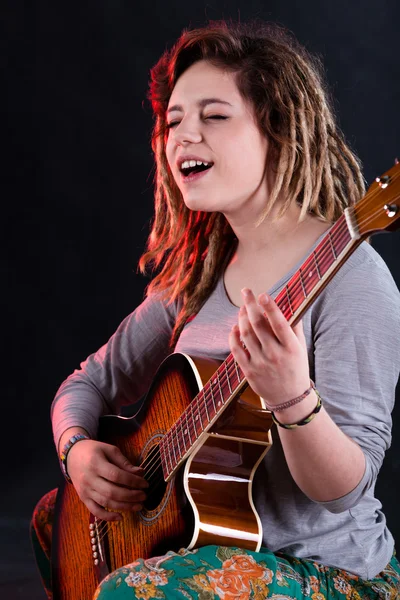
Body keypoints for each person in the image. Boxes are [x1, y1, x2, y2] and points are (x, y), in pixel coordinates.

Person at [31, 18, 400, 600]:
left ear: (278, 130)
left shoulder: (353, 279)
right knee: (60, 520)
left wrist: (291, 397)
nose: (183, 136)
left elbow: (343, 493)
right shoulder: (201, 275)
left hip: (329, 574)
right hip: (205, 548)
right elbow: (87, 383)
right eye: (173, 121)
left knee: (132, 591)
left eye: (214, 116)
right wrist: (76, 450)